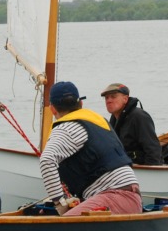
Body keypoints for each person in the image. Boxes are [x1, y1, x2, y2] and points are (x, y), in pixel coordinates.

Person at [39, 81, 142, 216]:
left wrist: (60, 203)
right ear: (80, 104)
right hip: (131, 196)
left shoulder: (65, 128)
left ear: (52, 109)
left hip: (114, 196)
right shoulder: (99, 121)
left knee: (59, 227)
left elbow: (46, 160)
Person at [100, 83, 163, 165]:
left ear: (125, 99)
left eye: (113, 96)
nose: (109, 100)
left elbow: (153, 149)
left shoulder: (139, 117)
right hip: (127, 167)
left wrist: (152, 173)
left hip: (144, 169)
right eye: (106, 98)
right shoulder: (114, 119)